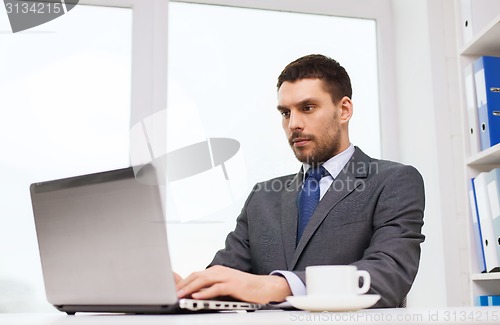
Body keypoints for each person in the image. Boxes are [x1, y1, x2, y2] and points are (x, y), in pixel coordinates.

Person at [176, 54, 425, 308]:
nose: (293, 124)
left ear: (344, 110)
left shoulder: (393, 181)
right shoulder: (262, 197)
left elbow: (387, 276)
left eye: (307, 108)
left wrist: (281, 286)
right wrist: (186, 290)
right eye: (285, 112)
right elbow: (225, 280)